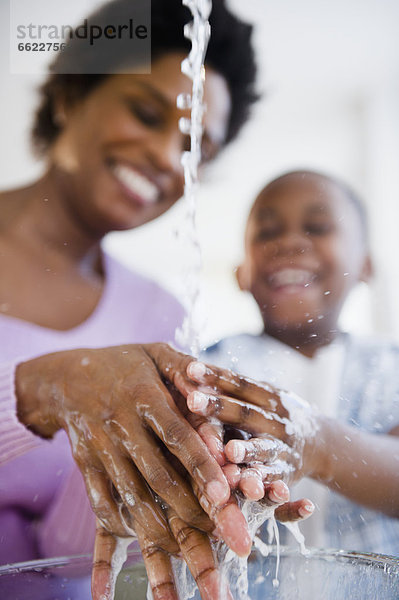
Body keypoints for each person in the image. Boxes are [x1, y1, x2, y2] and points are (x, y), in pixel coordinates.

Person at [0, 3, 310, 599]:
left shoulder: (158, 317)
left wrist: (178, 481)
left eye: (196, 148)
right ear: (71, 94)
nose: (169, 159)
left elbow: (64, 560)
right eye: (146, 113)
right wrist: (41, 389)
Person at [185, 170, 399, 554]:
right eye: (266, 233)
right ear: (242, 273)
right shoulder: (211, 369)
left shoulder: (390, 367)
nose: (288, 241)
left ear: (367, 264)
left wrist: (314, 444)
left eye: (317, 226)